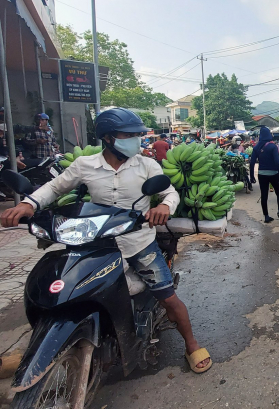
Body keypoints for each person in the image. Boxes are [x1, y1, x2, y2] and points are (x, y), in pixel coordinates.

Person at [0, 108, 212, 372]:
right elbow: (55, 188)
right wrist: (29, 205)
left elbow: (170, 192)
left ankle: (191, 344)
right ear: (110, 138)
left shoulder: (146, 164)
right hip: (96, 242)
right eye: (129, 135)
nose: (136, 139)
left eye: (137, 135)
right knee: (65, 292)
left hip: (138, 242)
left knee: (167, 298)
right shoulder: (85, 165)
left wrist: (165, 207)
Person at [249, 127, 279, 224]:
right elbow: (277, 162)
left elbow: (252, 163)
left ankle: (266, 216)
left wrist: (251, 176)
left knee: (264, 195)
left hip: (261, 174)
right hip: (274, 173)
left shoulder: (256, 147)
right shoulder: (273, 146)